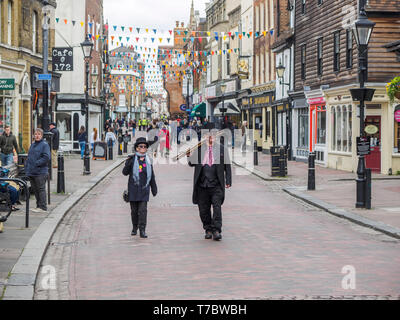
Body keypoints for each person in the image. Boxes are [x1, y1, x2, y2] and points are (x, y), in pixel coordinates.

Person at [186, 125, 232, 241]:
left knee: (217, 208)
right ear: (205, 136)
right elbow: (192, 164)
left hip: (216, 184)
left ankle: (216, 230)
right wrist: (189, 156)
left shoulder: (222, 149)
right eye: (208, 135)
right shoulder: (199, 149)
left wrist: (228, 181)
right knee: (203, 209)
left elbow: (227, 166)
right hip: (202, 185)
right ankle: (208, 229)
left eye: (213, 135)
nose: (210, 137)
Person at [122, 137, 157, 238]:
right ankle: (134, 227)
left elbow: (152, 176)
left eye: (145, 146)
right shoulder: (132, 160)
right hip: (133, 189)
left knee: (142, 211)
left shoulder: (148, 161)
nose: (143, 148)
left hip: (144, 190)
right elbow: (124, 173)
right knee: (134, 211)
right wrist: (128, 162)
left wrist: (154, 188)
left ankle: (142, 230)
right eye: (141, 146)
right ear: (137, 148)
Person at [25, 128, 51, 213]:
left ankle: (43, 207)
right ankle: (38, 206)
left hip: (40, 171)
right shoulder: (32, 145)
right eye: (35, 134)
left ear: (42, 135)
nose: (37, 136)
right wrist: (27, 166)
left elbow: (46, 157)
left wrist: (37, 163)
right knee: (35, 190)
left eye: (39, 134)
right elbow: (29, 157)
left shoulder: (44, 145)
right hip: (32, 171)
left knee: (41, 189)